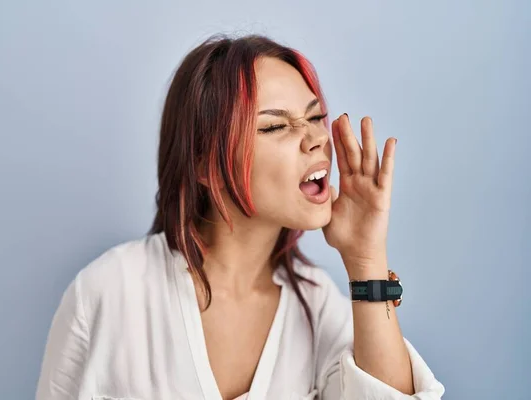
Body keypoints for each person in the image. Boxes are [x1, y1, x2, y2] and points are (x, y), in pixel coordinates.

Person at [35, 34, 445, 400]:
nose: (318, 138)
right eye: (274, 127)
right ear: (204, 163)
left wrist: (365, 258)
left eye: (316, 117)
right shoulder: (108, 293)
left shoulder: (320, 309)